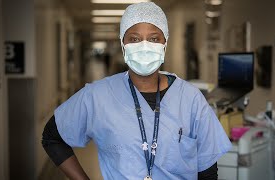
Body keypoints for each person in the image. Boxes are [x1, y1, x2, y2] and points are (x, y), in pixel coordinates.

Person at [42, 2, 232, 180]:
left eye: (154, 38)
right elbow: (51, 137)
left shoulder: (191, 99)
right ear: (123, 44)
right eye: (134, 38)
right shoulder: (97, 96)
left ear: (165, 44)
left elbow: (208, 169)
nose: (144, 46)